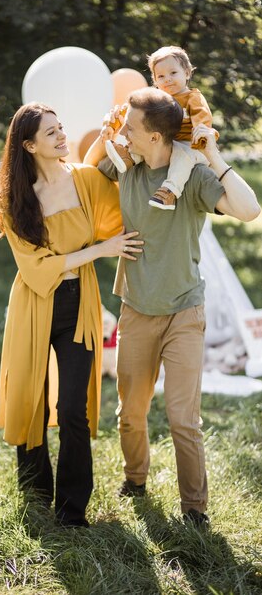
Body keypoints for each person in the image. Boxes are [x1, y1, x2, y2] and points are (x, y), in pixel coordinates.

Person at [84, 87, 260, 526]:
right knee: (131, 413)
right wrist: (111, 126)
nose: (124, 133)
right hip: (137, 310)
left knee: (184, 418)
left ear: (158, 138)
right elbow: (86, 170)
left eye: (132, 128)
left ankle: (195, 509)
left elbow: (249, 209)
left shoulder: (194, 177)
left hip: (185, 312)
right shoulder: (126, 166)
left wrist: (213, 156)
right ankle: (135, 478)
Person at [0, 102, 143, 528]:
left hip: (80, 303)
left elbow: (123, 223)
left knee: (73, 407)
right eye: (51, 132)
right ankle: (36, 494)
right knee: (32, 399)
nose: (61, 137)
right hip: (35, 306)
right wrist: (96, 252)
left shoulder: (88, 180)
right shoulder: (14, 201)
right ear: (28, 144)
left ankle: (72, 510)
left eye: (61, 129)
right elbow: (35, 269)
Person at [105, 45, 219, 210]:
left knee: (182, 158)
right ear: (155, 80)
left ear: (187, 73)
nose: (167, 79)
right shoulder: (158, 99)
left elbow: (202, 119)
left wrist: (201, 139)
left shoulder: (193, 98)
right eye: (161, 76)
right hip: (168, 143)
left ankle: (170, 191)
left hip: (190, 145)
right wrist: (117, 119)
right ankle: (130, 158)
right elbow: (134, 109)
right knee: (146, 141)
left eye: (173, 73)